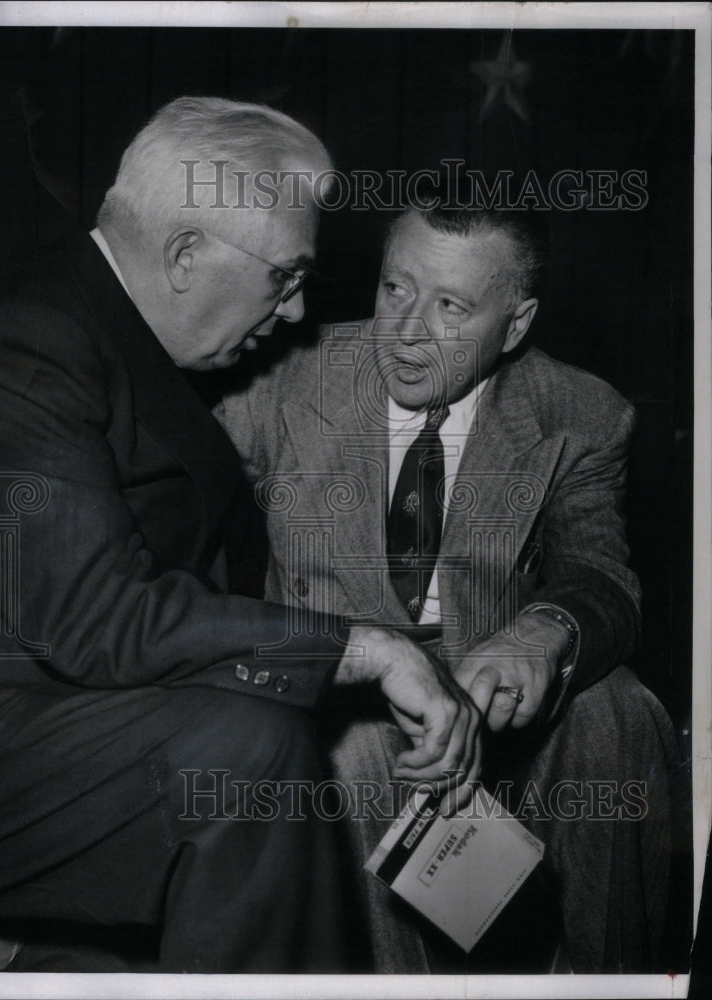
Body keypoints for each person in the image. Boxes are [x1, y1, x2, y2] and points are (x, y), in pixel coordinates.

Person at [0, 99, 493, 973]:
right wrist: (367, 650)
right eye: (284, 278)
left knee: (262, 735)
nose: (300, 312)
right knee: (246, 753)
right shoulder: (19, 341)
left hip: (39, 717)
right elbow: (100, 622)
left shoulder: (108, 330)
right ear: (186, 255)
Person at [218, 204, 679, 973]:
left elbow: (600, 576)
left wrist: (545, 633)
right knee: (356, 744)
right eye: (395, 289)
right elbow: (171, 522)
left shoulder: (582, 414)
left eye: (451, 306)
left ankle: (604, 984)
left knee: (619, 712)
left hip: (488, 691)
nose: (405, 331)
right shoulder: (276, 381)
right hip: (338, 677)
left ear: (515, 322)